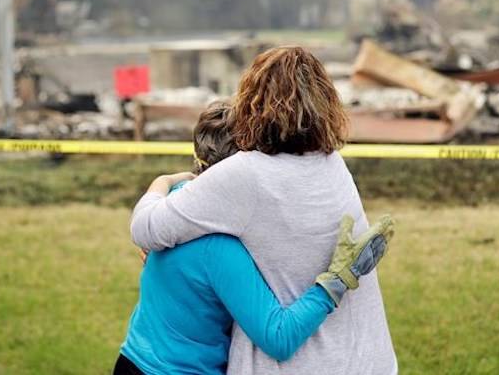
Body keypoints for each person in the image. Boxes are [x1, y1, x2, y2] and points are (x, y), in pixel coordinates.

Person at [131, 46, 398, 374]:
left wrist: (164, 181)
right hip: (368, 358)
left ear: (252, 102)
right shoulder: (333, 165)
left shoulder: (244, 174)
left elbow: (145, 228)